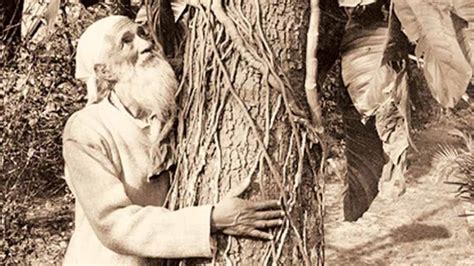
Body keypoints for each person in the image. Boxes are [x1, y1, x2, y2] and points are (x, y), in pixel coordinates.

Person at [62, 15, 284, 264]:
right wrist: (211, 219)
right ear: (105, 70)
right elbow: (113, 223)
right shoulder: (86, 129)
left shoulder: (171, 114)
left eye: (142, 34)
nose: (146, 44)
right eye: (126, 41)